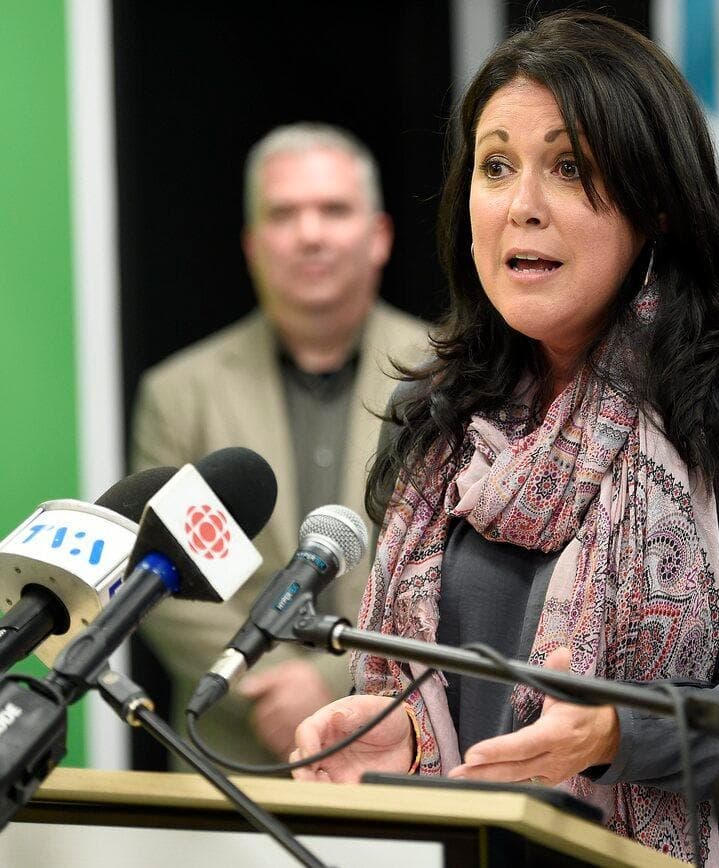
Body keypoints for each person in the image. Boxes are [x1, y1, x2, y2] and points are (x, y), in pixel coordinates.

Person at [289, 12, 719, 866]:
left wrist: (624, 732)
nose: (522, 207)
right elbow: (479, 714)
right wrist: (407, 739)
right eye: (496, 166)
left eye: (570, 168)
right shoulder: (443, 414)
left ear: (656, 204)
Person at [130, 123, 429, 767]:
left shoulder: (449, 376)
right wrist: (263, 678)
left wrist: (327, 685)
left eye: (333, 210)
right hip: (230, 754)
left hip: (399, 750)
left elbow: (457, 578)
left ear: (379, 237)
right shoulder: (180, 390)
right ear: (252, 244)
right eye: (284, 213)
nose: (310, 233)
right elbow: (158, 581)